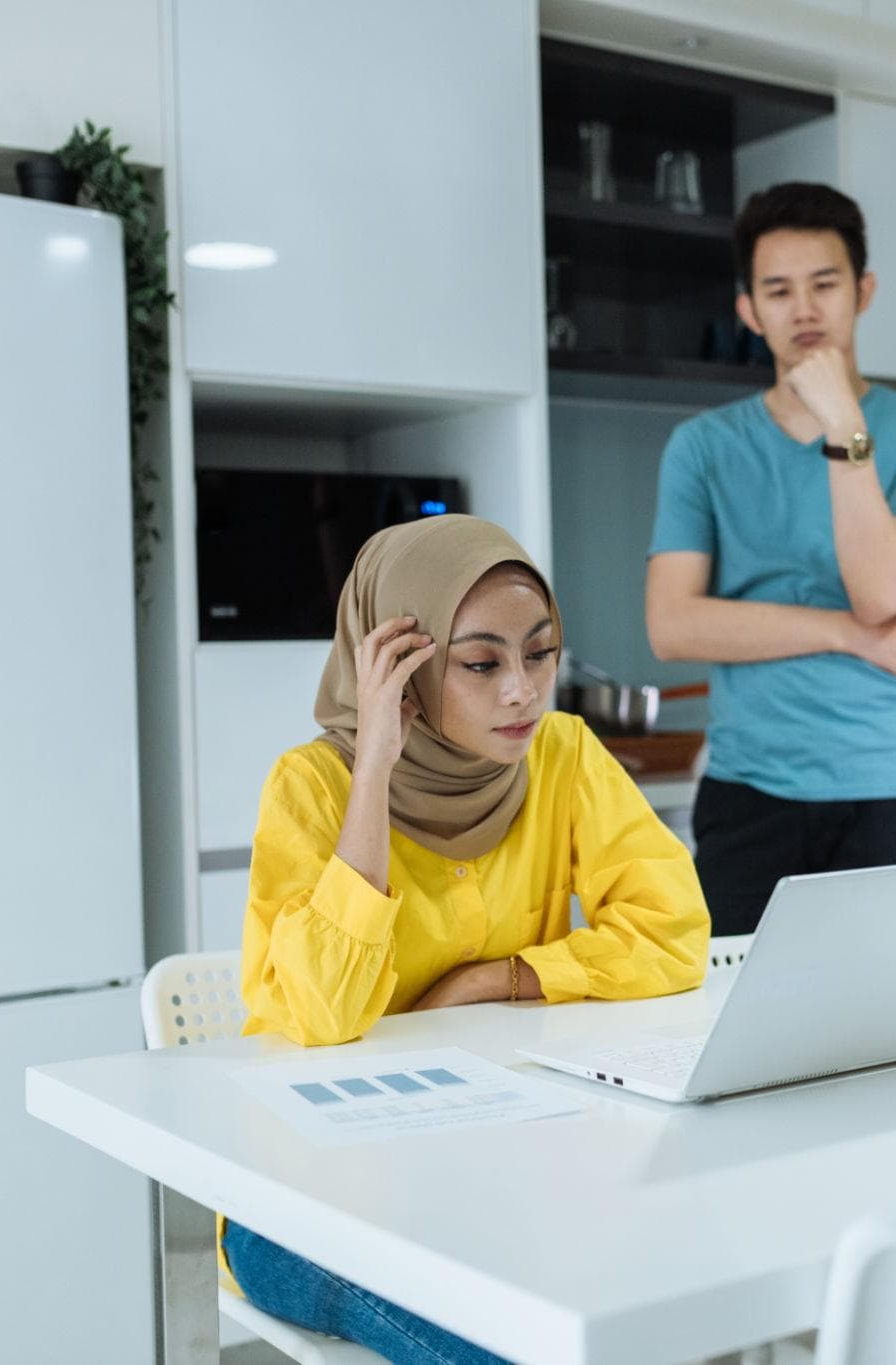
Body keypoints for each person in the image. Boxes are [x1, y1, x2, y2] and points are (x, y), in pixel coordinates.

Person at [224, 515, 709, 1365]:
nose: (522, 690)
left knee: (681, 1270)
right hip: (305, 1200)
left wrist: (503, 978)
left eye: (540, 652)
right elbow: (321, 1014)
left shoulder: (560, 756)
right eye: (482, 663)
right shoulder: (311, 786)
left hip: (498, 1174)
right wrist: (373, 767)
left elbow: (672, 933)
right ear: (399, 672)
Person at [646, 181, 896, 937]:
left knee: (891, 1027)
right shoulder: (702, 446)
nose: (805, 309)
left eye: (825, 285)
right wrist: (850, 636)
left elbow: (882, 591)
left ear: (863, 291)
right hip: (750, 784)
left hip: (893, 781)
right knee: (738, 1027)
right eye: (779, 291)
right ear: (749, 311)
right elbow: (672, 625)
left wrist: (844, 428)